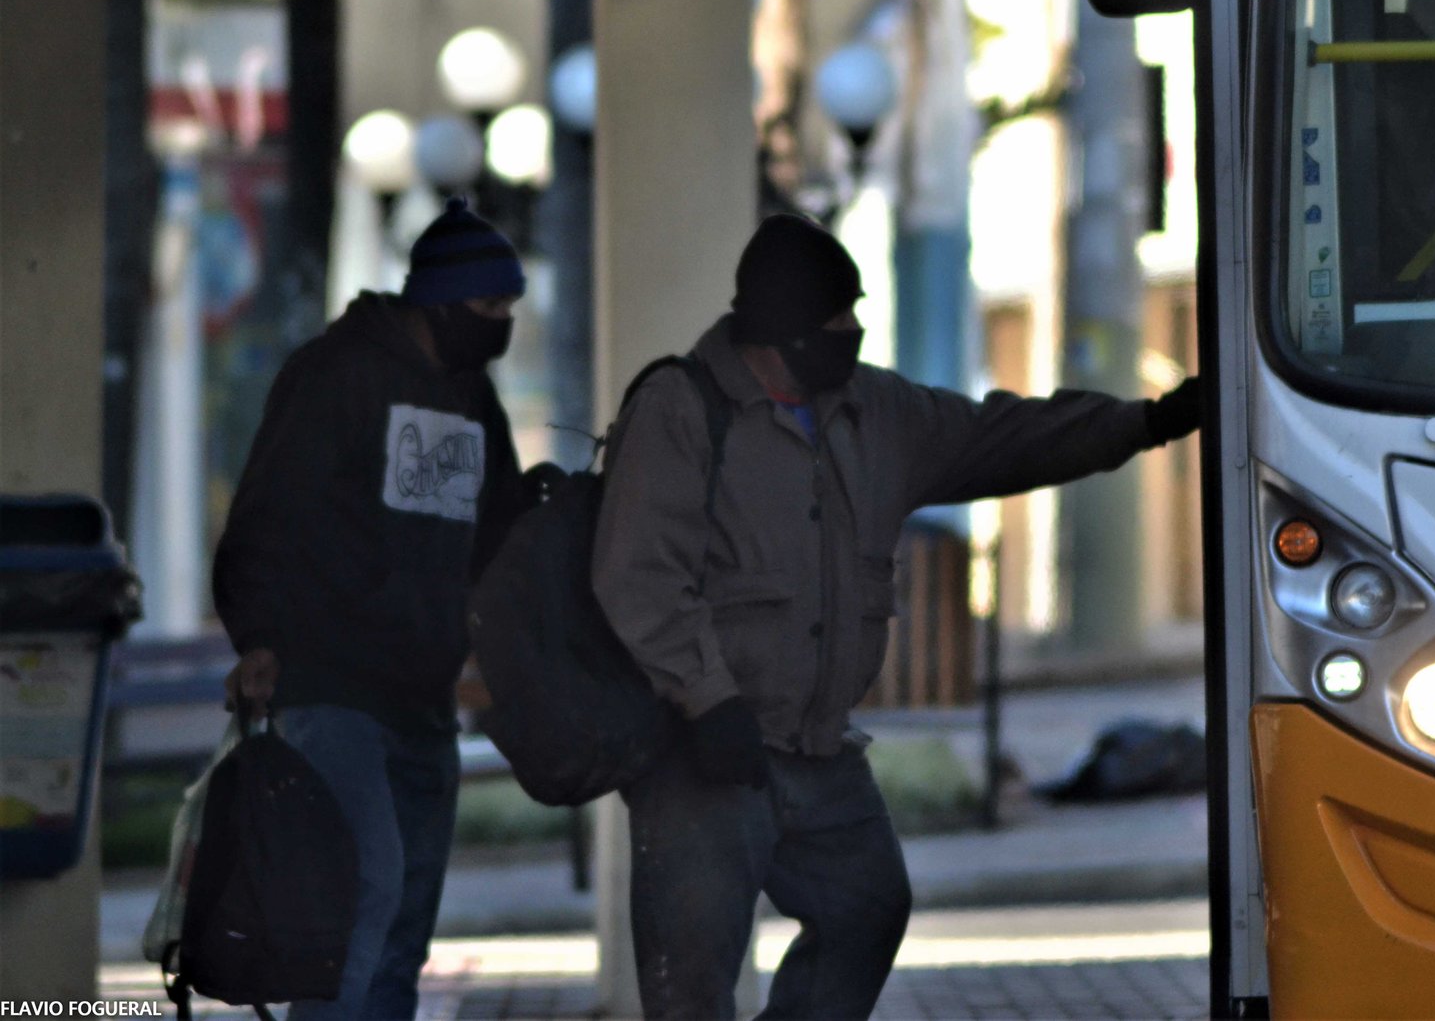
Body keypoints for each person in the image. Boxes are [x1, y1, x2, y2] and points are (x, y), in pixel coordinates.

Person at [592, 213, 1201, 1021]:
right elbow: (637, 573)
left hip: (816, 749)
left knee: (867, 908)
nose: (852, 330)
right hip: (703, 752)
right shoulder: (680, 408)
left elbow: (1003, 434)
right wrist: (707, 699)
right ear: (778, 330)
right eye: (834, 318)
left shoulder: (873, 409)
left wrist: (1145, 423)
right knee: (693, 987)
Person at [213, 196, 526, 1020]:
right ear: (441, 299)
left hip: (424, 695)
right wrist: (260, 637)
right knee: (361, 896)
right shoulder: (338, 374)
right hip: (331, 683)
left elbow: (496, 528)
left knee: (405, 925)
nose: (502, 324)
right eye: (490, 306)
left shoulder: (473, 397)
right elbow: (268, 512)